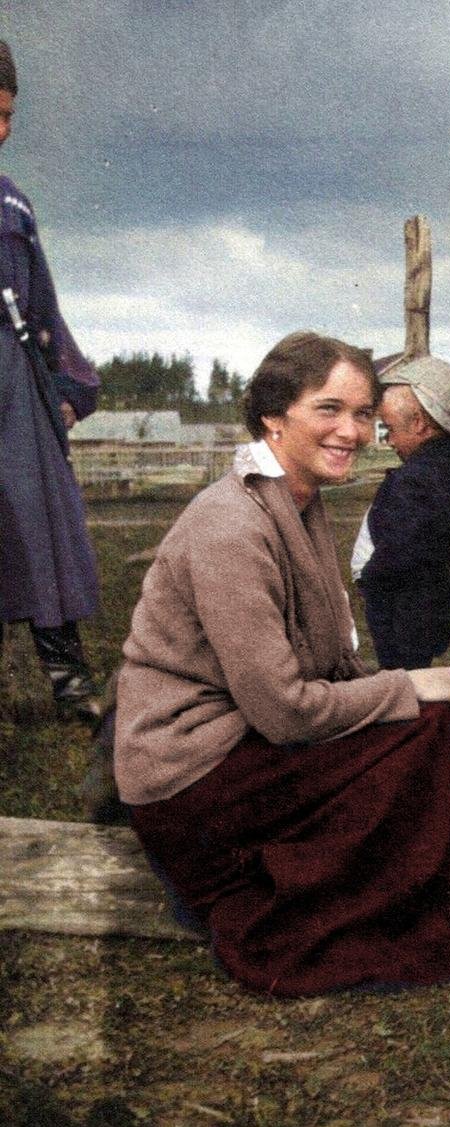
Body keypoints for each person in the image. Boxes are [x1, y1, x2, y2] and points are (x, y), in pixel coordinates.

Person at [113, 332, 450, 996]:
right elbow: (287, 710)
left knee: (433, 722)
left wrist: (413, 693)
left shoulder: (296, 501)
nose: (352, 430)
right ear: (272, 416)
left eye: (362, 413)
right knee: (422, 733)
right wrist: (405, 685)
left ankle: (361, 878)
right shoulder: (231, 526)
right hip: (193, 777)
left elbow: (328, 661)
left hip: (245, 742)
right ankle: (263, 894)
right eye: (329, 409)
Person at [0, 40, 102, 720]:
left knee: (39, 526)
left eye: (6, 115)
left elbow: (43, 307)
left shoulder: (14, 205)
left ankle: (69, 687)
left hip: (12, 387)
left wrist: (64, 387)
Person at [351, 354, 450, 670]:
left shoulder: (418, 479)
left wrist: (370, 578)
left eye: (389, 429)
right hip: (420, 608)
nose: (388, 440)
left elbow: (403, 551)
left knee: (404, 682)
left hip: (403, 612)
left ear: (419, 423)